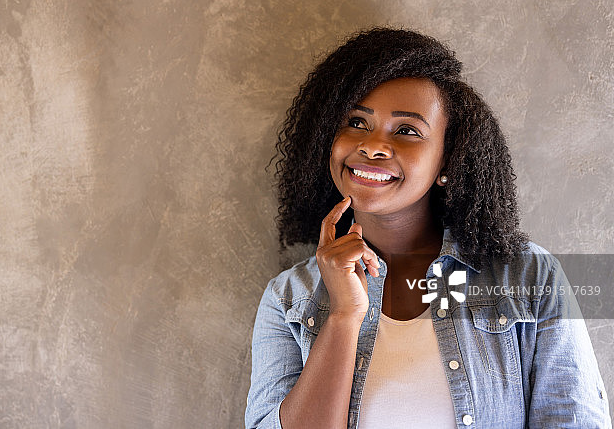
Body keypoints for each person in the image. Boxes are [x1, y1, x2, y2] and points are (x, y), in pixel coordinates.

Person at [244, 28, 611, 429]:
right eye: (356, 122)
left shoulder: (529, 278)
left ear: (447, 162)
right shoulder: (288, 299)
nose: (373, 146)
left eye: (406, 131)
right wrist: (344, 316)